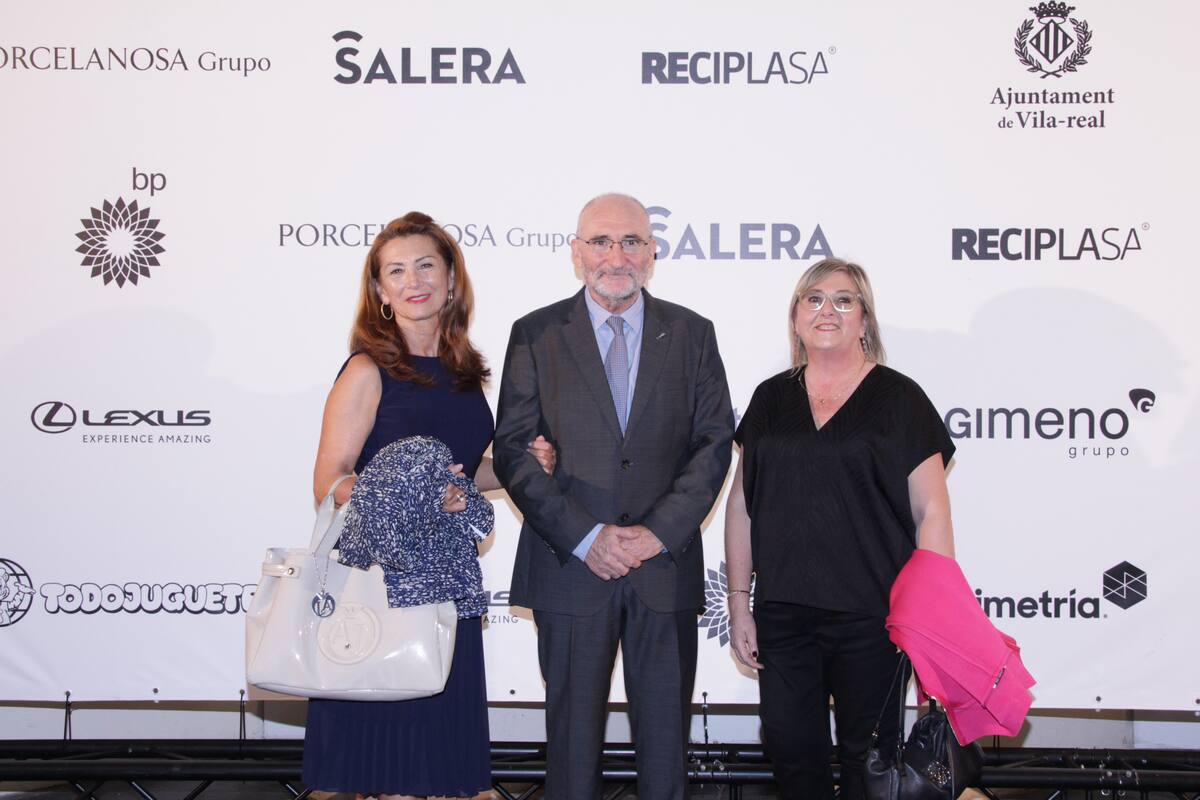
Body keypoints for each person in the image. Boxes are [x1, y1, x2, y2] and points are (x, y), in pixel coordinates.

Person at [303, 212, 555, 800]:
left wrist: (520, 466)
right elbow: (330, 483)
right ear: (379, 289)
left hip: (448, 583)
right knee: (385, 770)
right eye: (396, 271)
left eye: (425, 266)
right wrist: (413, 493)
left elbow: (462, 474)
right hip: (380, 586)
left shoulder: (464, 372)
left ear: (451, 279)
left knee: (435, 769)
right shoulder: (367, 369)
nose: (413, 281)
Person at [493, 193, 734, 800]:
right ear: (577, 253)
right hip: (570, 570)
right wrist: (587, 537)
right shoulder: (535, 334)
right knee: (571, 755)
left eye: (631, 241)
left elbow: (713, 445)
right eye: (601, 241)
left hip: (663, 571)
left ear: (652, 253)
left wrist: (656, 534)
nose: (616, 255)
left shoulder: (693, 333)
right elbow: (515, 454)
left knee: (666, 755)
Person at [724, 257, 957, 800]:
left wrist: (930, 614)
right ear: (796, 317)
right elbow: (742, 506)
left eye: (844, 300)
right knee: (790, 752)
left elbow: (933, 512)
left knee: (868, 763)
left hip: (874, 617)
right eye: (814, 298)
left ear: (864, 320)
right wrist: (739, 603)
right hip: (784, 614)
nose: (827, 310)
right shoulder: (770, 398)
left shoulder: (900, 399)